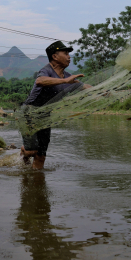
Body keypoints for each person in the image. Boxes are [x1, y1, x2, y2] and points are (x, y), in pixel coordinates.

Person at [20, 41, 89, 169]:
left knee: (41, 155)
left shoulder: (68, 77)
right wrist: (64, 81)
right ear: (55, 56)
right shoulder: (46, 71)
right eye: (66, 53)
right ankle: (25, 150)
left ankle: (37, 183)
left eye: (69, 54)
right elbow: (40, 81)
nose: (69, 56)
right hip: (30, 112)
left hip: (46, 115)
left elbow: (85, 87)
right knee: (32, 151)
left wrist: (105, 92)